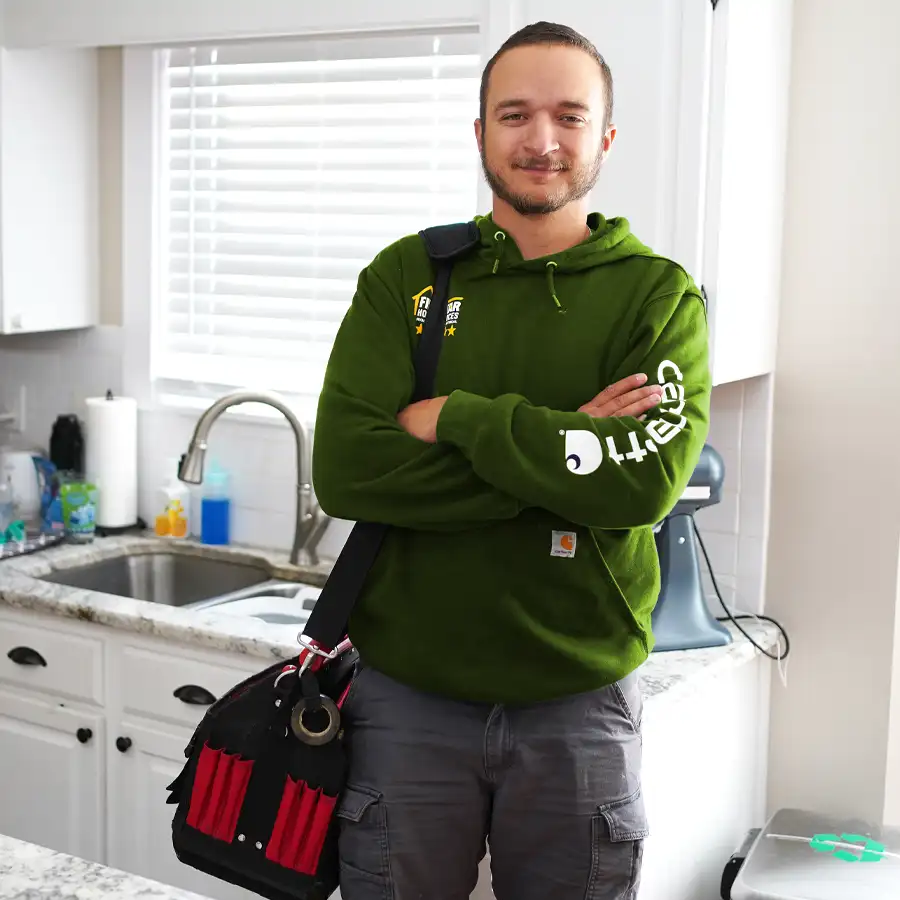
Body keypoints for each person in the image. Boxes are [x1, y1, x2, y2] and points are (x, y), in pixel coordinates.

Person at [312, 20, 711, 900]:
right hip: (407, 701)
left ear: (604, 138)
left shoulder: (656, 294)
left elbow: (641, 484)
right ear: (481, 132)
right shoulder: (407, 280)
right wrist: (566, 453)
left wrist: (460, 415)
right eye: (515, 115)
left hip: (580, 707)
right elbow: (346, 470)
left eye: (569, 116)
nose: (541, 140)